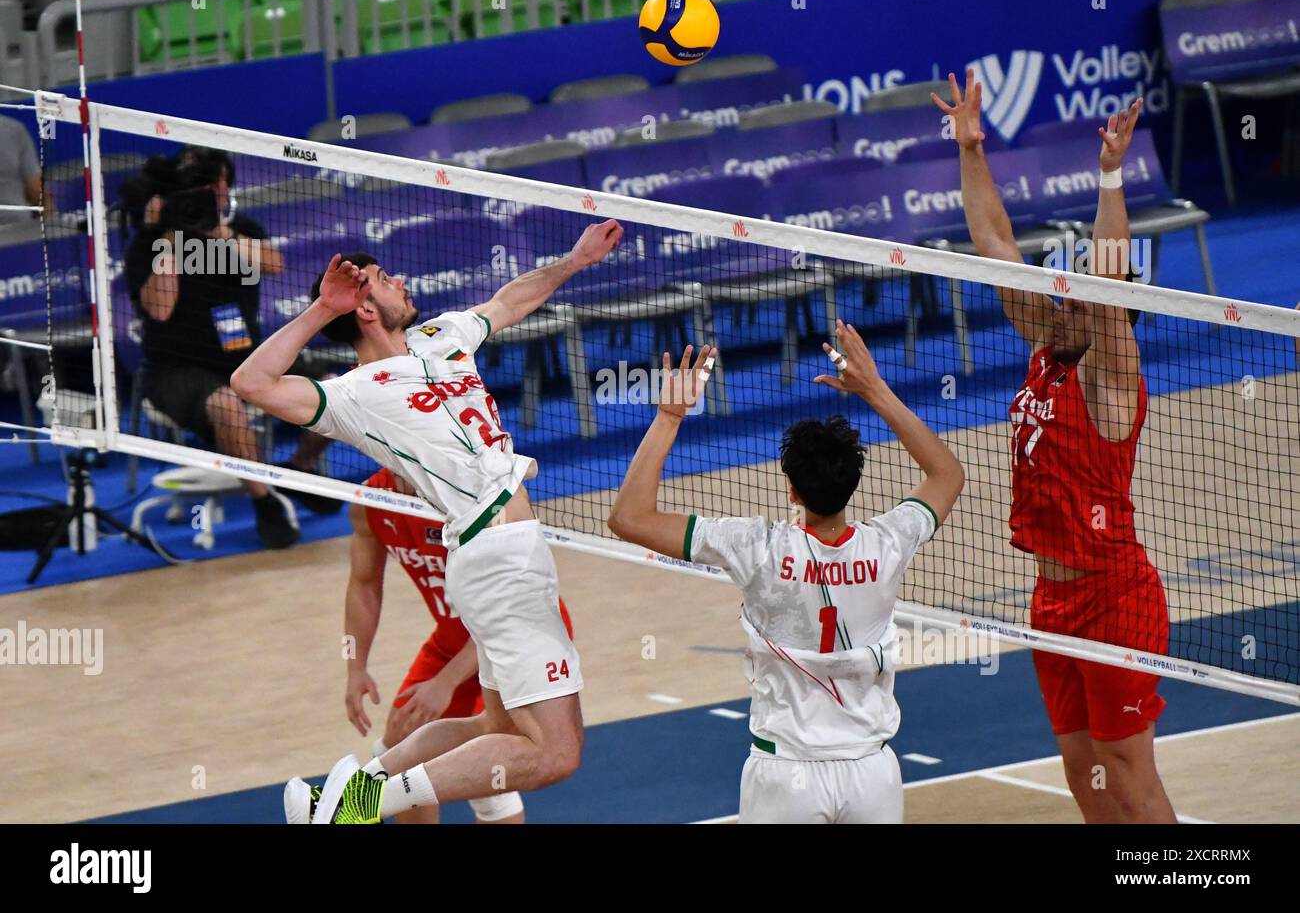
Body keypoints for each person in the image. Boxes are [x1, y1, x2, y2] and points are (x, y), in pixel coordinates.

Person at [230, 219, 624, 823]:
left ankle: (345, 795)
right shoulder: (350, 395)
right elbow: (250, 382)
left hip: (502, 554)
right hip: (497, 558)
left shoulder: (442, 336)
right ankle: (353, 810)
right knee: (556, 754)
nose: (403, 281)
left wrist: (574, 261)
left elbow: (510, 300)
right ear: (362, 306)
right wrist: (320, 309)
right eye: (387, 279)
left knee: (491, 725)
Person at [932, 70, 1176, 822]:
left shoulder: (1108, 375)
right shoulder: (1046, 347)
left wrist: (1110, 175)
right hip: (1051, 600)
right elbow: (992, 240)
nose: (1056, 294)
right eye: (1056, 289)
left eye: (1070, 294)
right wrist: (971, 147)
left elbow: (1108, 282)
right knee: (1084, 775)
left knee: (1131, 778)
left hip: (1113, 597)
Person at [607, 330, 964, 823]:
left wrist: (669, 417)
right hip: (872, 776)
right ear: (853, 483)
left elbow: (628, 518)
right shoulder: (888, 544)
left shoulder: (756, 547)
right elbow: (947, 474)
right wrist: (875, 389)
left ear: (792, 489)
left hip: (786, 775)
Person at [284, 466, 574, 825]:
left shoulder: (469, 497)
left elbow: (506, 600)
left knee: (498, 756)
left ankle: (348, 805)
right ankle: (346, 800)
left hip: (514, 632)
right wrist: (355, 667)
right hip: (454, 638)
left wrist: (446, 682)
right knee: (403, 737)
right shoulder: (371, 501)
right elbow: (364, 584)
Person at [122, 146, 335, 550]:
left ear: (227, 188)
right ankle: (264, 501)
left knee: (333, 387)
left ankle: (299, 468)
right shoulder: (149, 243)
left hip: (247, 358)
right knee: (225, 404)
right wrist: (170, 239)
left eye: (218, 184)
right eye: (202, 185)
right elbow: (160, 310)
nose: (212, 191)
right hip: (176, 370)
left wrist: (220, 235)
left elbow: (274, 263)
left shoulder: (243, 230)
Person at [0, 114, 53, 221]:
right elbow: (36, 189)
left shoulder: (15, 130)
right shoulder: (14, 129)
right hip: (16, 223)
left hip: (15, 224)